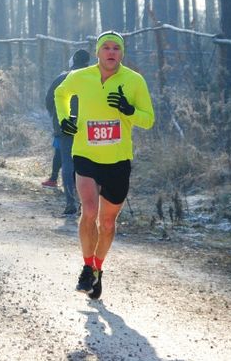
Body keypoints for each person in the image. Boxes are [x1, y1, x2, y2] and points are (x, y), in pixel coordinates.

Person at [54, 31, 154, 299]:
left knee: (107, 223)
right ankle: (87, 268)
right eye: (106, 48)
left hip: (118, 161)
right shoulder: (80, 77)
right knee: (88, 211)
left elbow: (148, 120)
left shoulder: (134, 81)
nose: (111, 52)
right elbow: (60, 94)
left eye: (116, 48)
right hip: (85, 154)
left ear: (122, 53)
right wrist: (65, 119)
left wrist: (128, 110)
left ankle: (97, 269)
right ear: (97, 52)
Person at [42, 49, 90, 215]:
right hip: (87, 127)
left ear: (72, 62)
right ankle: (87, 202)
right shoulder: (93, 79)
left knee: (68, 163)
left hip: (64, 127)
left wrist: (56, 117)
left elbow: (49, 101)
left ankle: (70, 201)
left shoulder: (61, 78)